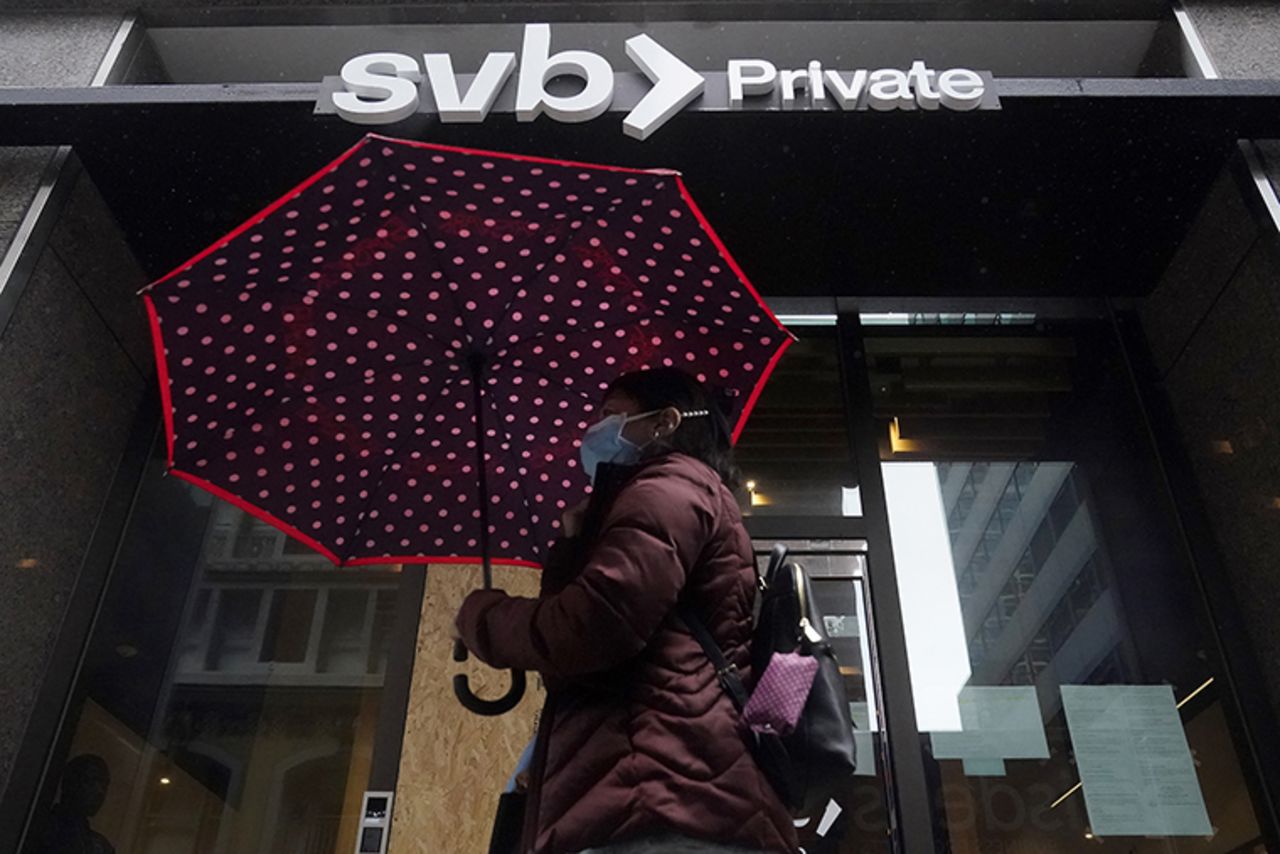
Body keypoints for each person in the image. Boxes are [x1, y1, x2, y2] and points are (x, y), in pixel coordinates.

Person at [456, 368, 798, 854]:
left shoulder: (669, 487)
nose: (593, 431)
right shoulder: (673, 494)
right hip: (660, 795)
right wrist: (573, 547)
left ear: (664, 422)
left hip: (661, 802)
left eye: (610, 415)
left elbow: (587, 630)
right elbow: (582, 654)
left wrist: (480, 616)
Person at [32, 754, 116, 854]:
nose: (100, 791)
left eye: (105, 785)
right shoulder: (40, 826)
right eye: (90, 781)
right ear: (69, 782)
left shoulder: (101, 847)